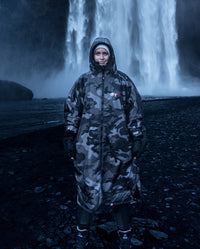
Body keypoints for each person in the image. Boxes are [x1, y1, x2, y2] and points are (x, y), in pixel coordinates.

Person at [64, 37, 146, 249]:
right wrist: (69, 136)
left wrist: (137, 137)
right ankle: (82, 235)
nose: (101, 58)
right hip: (88, 150)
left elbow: (134, 112)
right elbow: (73, 111)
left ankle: (125, 237)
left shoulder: (124, 82)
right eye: (97, 54)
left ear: (111, 55)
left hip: (118, 149)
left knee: (120, 192)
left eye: (105, 53)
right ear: (92, 56)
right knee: (86, 190)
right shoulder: (83, 82)